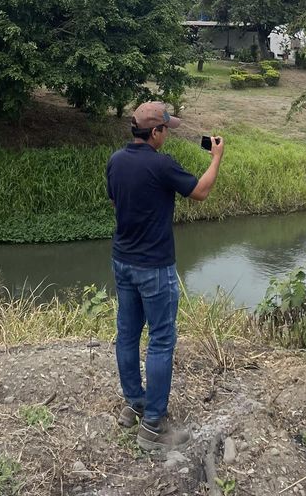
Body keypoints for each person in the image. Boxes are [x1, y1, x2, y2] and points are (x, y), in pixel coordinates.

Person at [106, 100, 224, 453]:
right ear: (154, 132)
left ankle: (134, 405)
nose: (167, 136)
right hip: (154, 266)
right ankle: (153, 424)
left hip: (122, 260)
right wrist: (216, 158)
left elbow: (116, 203)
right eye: (166, 130)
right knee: (160, 340)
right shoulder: (161, 164)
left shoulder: (116, 161)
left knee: (127, 334)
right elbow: (200, 192)